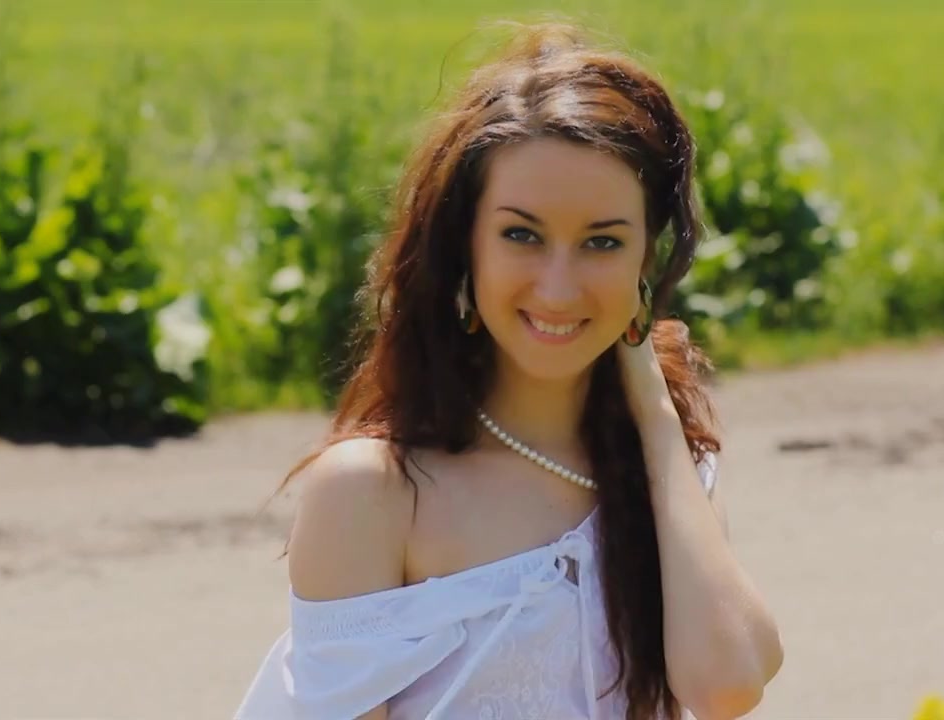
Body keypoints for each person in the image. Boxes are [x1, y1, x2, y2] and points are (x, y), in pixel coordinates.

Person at [235, 21, 783, 720]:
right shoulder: (374, 491)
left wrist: (652, 406)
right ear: (465, 247)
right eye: (521, 235)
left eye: (602, 243)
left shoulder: (663, 467)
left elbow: (726, 685)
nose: (557, 288)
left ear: (646, 259)